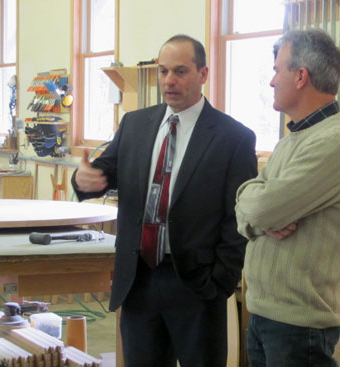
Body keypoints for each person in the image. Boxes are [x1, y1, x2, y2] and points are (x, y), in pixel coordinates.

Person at [72, 34, 257, 367]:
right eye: (163, 71)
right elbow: (103, 173)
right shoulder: (135, 124)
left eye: (181, 71)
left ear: (203, 74)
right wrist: (84, 180)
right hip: (139, 279)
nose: (169, 81)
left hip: (197, 285)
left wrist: (219, 282)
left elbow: (238, 219)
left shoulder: (233, 138)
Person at [235, 29, 340, 367]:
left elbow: (261, 207)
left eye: (277, 70)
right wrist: (257, 212)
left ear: (300, 77)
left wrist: (259, 212)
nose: (271, 81)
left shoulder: (334, 144)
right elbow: (248, 199)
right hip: (268, 315)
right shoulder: (294, 137)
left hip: (300, 327)